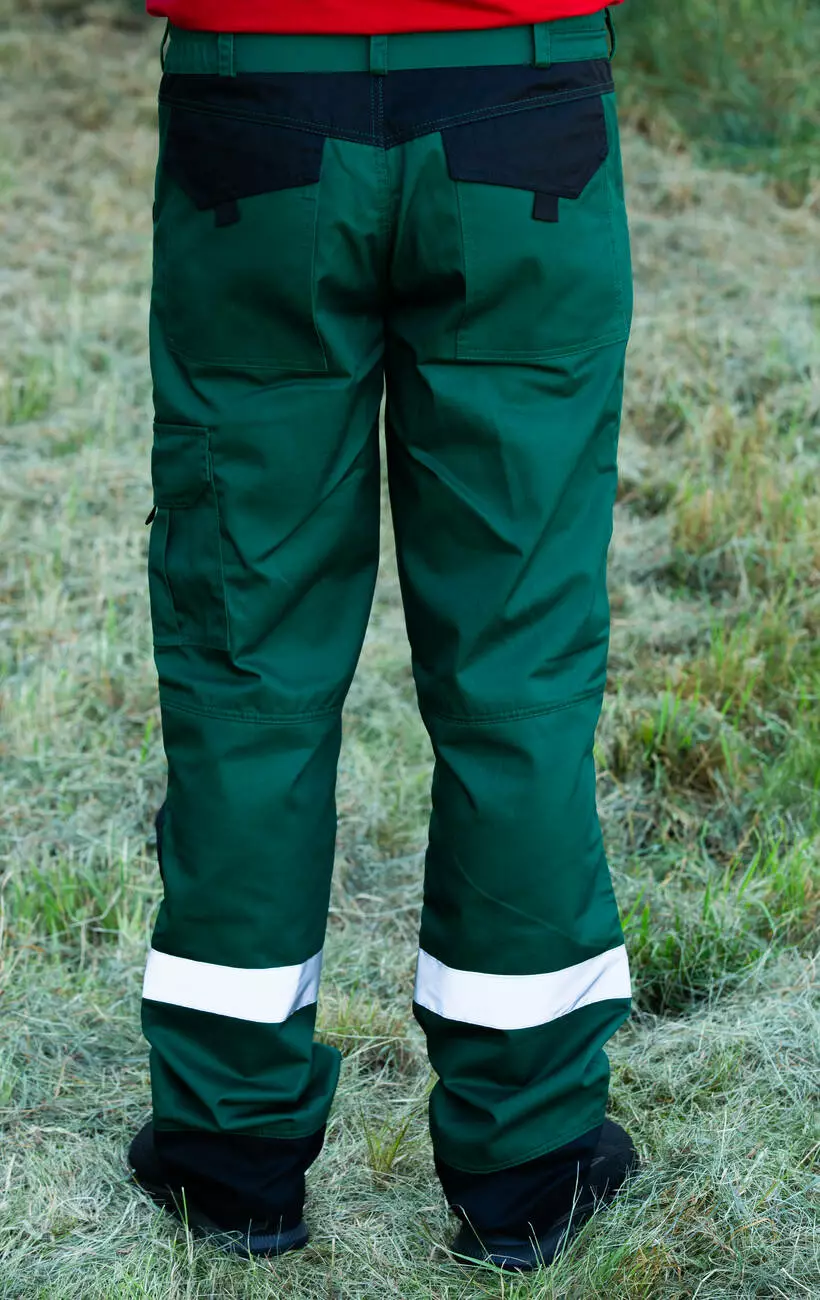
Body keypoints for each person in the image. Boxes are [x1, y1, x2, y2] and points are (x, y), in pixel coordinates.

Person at [129, 0, 638, 1272]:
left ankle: (229, 1154)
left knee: (246, 661)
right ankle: (530, 1161)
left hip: (254, 98)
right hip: (524, 99)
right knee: (519, 669)